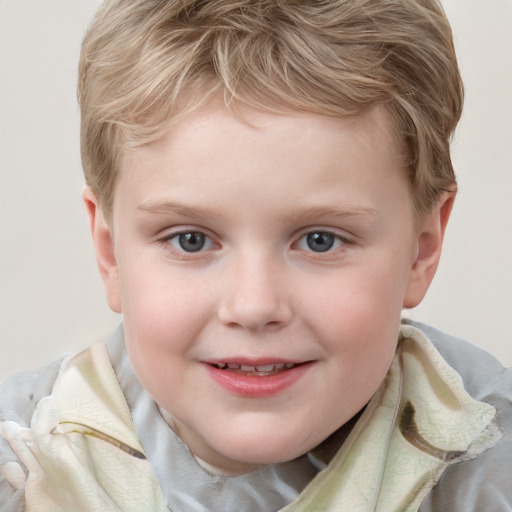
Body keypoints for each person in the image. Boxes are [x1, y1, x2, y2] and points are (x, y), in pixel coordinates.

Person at [1, 0, 510, 510]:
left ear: (422, 248)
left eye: (320, 240)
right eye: (191, 240)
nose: (253, 306)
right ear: (110, 252)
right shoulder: (24, 463)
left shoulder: (490, 462)